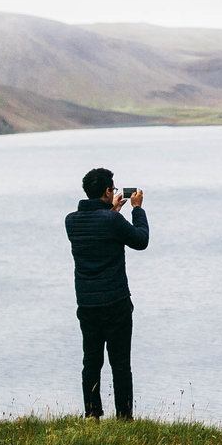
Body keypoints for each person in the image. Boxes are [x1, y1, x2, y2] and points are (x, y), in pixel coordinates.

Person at [65, 167, 148, 420]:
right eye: (112, 188)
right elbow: (140, 240)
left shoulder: (71, 220)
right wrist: (137, 209)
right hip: (115, 303)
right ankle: (124, 416)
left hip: (87, 304)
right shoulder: (111, 221)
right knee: (120, 364)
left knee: (91, 361)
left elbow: (98, 230)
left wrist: (111, 211)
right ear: (106, 191)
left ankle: (92, 413)